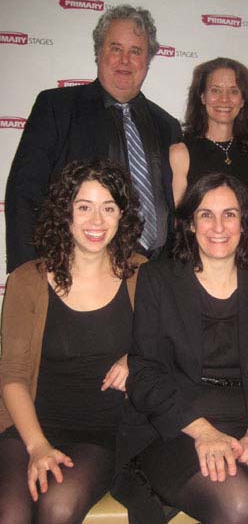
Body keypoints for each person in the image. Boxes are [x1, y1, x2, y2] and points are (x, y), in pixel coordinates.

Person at [114, 173, 248, 524]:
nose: (218, 226)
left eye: (230, 214)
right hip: (176, 424)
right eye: (206, 214)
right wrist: (203, 432)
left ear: (245, 223)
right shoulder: (158, 279)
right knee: (238, 503)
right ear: (189, 223)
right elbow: (145, 374)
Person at [0, 160, 146, 523]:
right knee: (11, 514)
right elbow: (13, 375)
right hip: (30, 428)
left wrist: (136, 358)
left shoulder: (144, 274)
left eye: (108, 207)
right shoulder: (26, 280)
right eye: (84, 207)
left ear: (121, 214)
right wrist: (37, 447)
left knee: (58, 506)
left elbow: (174, 343)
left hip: (101, 435)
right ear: (65, 211)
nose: (96, 221)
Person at [5, 4, 181, 272]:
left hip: (155, 274)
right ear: (98, 52)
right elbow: (24, 193)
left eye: (136, 51)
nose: (125, 60)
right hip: (75, 272)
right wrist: (29, 272)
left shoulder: (167, 126)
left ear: (148, 60)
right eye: (115, 48)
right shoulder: (57, 108)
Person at [170, 57, 248, 212]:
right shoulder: (180, 153)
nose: (224, 99)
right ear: (202, 97)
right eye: (215, 90)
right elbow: (175, 220)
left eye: (234, 91)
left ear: (243, 100)